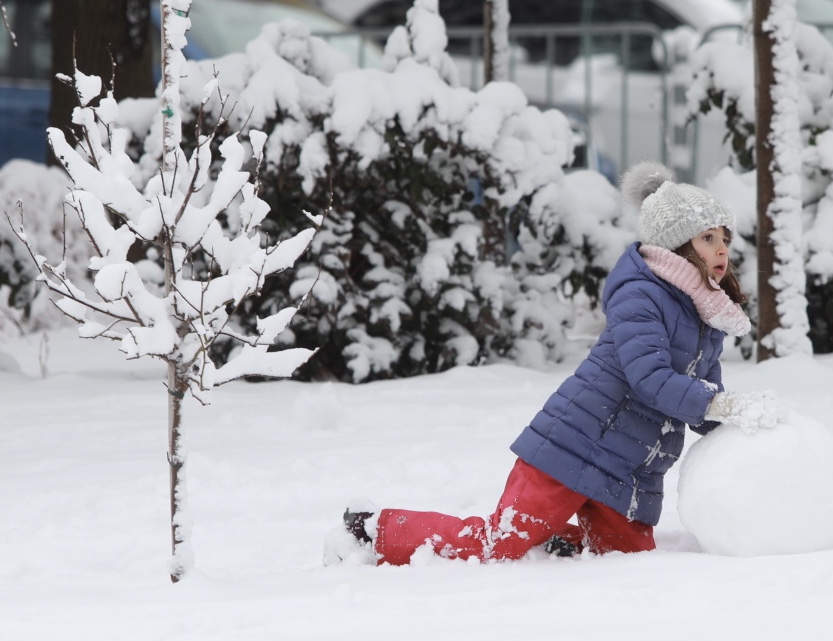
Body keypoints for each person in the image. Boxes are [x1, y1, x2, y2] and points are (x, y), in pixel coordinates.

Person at [324, 162, 785, 566]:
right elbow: (652, 380)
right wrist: (719, 405)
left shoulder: (705, 314)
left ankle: (554, 543)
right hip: (575, 447)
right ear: (678, 243)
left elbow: (702, 401)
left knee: (628, 558)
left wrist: (749, 431)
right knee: (497, 544)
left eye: (725, 238)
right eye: (708, 238)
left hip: (625, 468)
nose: (722, 250)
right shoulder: (642, 295)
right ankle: (372, 530)